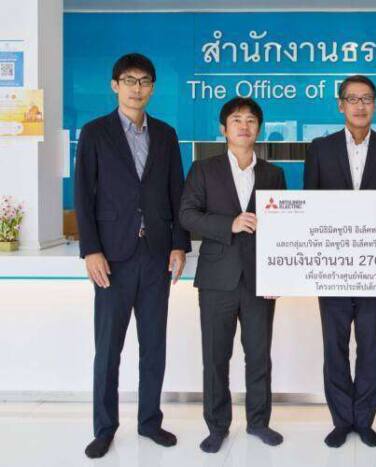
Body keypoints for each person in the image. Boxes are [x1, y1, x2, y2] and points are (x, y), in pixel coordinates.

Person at [74, 53, 191, 459]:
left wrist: (179, 244)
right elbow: (83, 196)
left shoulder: (166, 134)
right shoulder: (94, 133)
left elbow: (177, 193)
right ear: (115, 85)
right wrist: (91, 249)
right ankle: (104, 427)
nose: (136, 88)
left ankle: (149, 421)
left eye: (144, 81)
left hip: (156, 255)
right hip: (112, 257)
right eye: (129, 80)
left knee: (153, 345)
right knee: (108, 349)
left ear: (152, 88)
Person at [303, 75, 376, 448]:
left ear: (375, 104)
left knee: (369, 347)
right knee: (334, 347)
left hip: (375, 268)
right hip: (331, 268)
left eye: (366, 99)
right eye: (352, 99)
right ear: (340, 105)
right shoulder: (320, 149)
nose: (360, 106)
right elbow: (309, 207)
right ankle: (340, 420)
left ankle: (364, 420)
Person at [179, 97, 286, 453]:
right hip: (216, 279)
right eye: (237, 120)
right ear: (223, 129)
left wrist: (277, 275)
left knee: (259, 356)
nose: (244, 126)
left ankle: (259, 422)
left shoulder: (273, 174)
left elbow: (282, 229)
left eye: (251, 120)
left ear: (259, 129)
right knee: (215, 357)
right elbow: (187, 215)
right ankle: (217, 426)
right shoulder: (203, 170)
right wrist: (231, 224)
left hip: (259, 279)